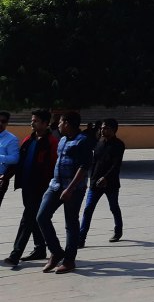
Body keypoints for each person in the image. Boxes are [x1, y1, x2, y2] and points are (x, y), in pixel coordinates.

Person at [36, 111, 92, 274]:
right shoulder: (61, 140)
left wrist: (70, 188)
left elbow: (84, 166)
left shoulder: (83, 141)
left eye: (59, 122)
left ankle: (69, 260)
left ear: (67, 123)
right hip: (55, 185)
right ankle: (56, 251)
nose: (58, 125)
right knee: (42, 216)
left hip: (73, 189)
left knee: (71, 223)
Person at [2, 110, 58, 268]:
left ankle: (15, 255)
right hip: (26, 186)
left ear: (45, 123)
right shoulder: (28, 139)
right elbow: (19, 162)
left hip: (40, 188)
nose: (32, 123)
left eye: (36, 121)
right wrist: (6, 176)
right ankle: (40, 249)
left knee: (27, 218)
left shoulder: (52, 143)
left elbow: (54, 167)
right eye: (32, 120)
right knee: (32, 216)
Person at [78, 118, 125, 248]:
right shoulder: (98, 142)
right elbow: (94, 162)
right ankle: (81, 239)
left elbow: (116, 165)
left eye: (106, 128)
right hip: (95, 184)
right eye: (102, 128)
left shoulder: (119, 145)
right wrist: (91, 178)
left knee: (113, 207)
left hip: (111, 184)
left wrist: (105, 178)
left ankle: (118, 230)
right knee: (88, 209)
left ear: (113, 130)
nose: (102, 130)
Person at [0, 111, 21, 209]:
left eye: (3, 121)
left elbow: (15, 159)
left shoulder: (11, 139)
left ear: (7, 123)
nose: (0, 123)